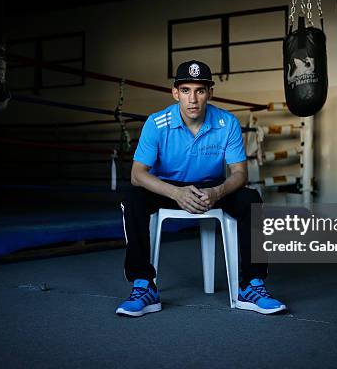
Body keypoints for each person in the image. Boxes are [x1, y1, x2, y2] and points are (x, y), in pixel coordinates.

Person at [116, 60, 286, 317]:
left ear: (210, 93)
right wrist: (175, 193)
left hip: (211, 189)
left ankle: (251, 286)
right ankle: (143, 285)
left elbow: (240, 174)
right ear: (175, 93)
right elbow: (137, 175)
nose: (192, 99)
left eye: (200, 90)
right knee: (133, 198)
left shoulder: (226, 122)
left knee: (251, 198)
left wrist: (217, 192)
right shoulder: (156, 123)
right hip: (168, 188)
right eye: (185, 90)